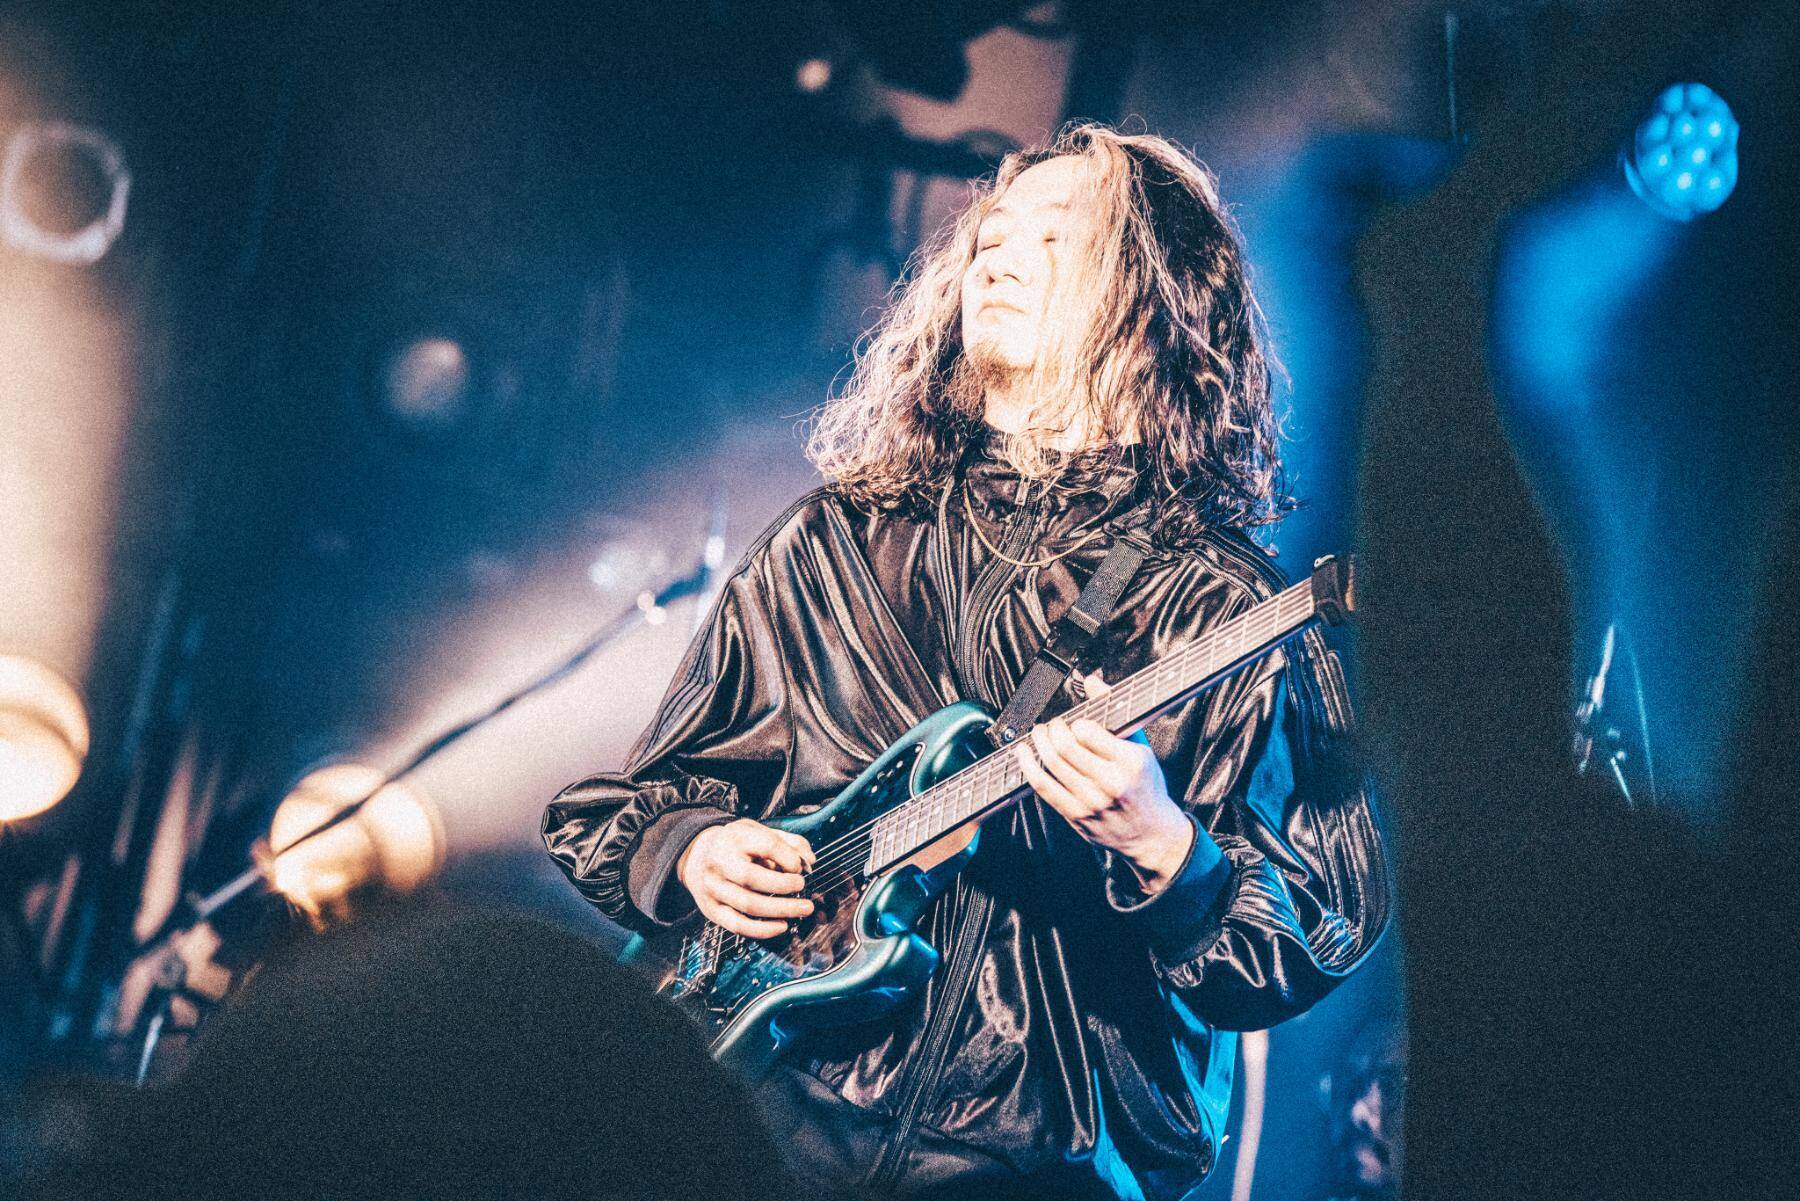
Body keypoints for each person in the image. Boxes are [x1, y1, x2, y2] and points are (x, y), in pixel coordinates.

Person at [543, 123, 1391, 1201]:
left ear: (1152, 300)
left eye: (1054, 236)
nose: (996, 257)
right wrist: (692, 848)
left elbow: (1316, 923)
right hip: (773, 1132)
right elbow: (631, 804)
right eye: (990, 237)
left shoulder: (1229, 611)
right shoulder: (834, 543)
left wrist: (1168, 850)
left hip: (1045, 1167)